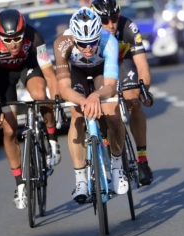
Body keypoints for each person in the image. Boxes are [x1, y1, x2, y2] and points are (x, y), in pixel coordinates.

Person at [0, 9, 61, 209]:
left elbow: (50, 76)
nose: (13, 44)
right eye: (7, 40)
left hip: (28, 67)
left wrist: (56, 100)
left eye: (17, 38)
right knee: (9, 130)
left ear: (23, 32)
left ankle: (51, 139)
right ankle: (20, 184)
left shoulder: (34, 37)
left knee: (41, 96)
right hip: (2, 76)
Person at [53, 7, 128, 204]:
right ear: (74, 38)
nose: (88, 48)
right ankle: (81, 181)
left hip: (101, 71)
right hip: (76, 71)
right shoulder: (62, 43)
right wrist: (82, 100)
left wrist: (95, 95)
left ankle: (118, 167)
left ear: (98, 36)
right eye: (83, 44)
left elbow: (110, 87)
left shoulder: (108, 41)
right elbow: (64, 88)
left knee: (112, 113)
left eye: (93, 43)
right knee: (77, 117)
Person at [91, 0, 154, 186]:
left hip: (122, 65)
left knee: (134, 102)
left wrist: (144, 90)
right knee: (104, 112)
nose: (110, 25)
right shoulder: (89, 32)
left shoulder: (129, 27)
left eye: (114, 19)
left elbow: (142, 66)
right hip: (101, 69)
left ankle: (142, 161)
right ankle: (108, 148)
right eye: (105, 20)